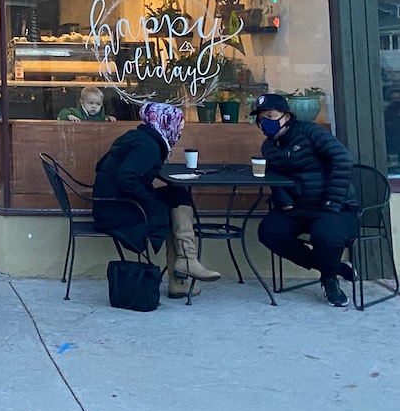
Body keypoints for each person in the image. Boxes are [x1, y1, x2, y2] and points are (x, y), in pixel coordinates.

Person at [92, 102, 220, 298]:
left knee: (176, 195)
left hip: (108, 206)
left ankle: (185, 266)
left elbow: (105, 167)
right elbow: (126, 179)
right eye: (178, 126)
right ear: (165, 123)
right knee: (168, 207)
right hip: (117, 212)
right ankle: (181, 274)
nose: (179, 132)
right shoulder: (148, 146)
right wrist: (151, 206)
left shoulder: (139, 137)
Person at [251, 92, 359, 307]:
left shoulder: (311, 132)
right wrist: (283, 199)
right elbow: (275, 175)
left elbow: (342, 160)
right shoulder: (269, 147)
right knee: (269, 232)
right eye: (262, 119)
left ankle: (330, 281)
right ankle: (333, 267)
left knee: (325, 236)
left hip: (336, 206)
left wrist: (333, 202)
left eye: (271, 116)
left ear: (287, 117)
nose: (266, 123)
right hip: (299, 208)